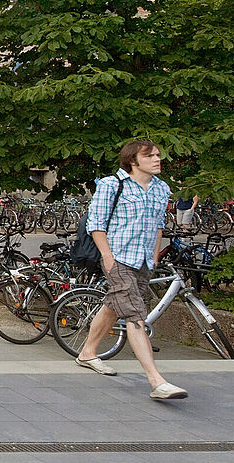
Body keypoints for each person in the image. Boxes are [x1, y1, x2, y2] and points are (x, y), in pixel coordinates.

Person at [75, 140, 186, 400]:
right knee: (135, 314)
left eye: (159, 154)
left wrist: (156, 254)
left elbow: (159, 224)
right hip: (118, 259)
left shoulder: (161, 188)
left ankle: (87, 352)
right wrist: (108, 257)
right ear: (133, 161)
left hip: (145, 261)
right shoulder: (112, 184)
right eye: (150, 156)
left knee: (115, 304)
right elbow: (96, 224)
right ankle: (156, 381)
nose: (158, 159)